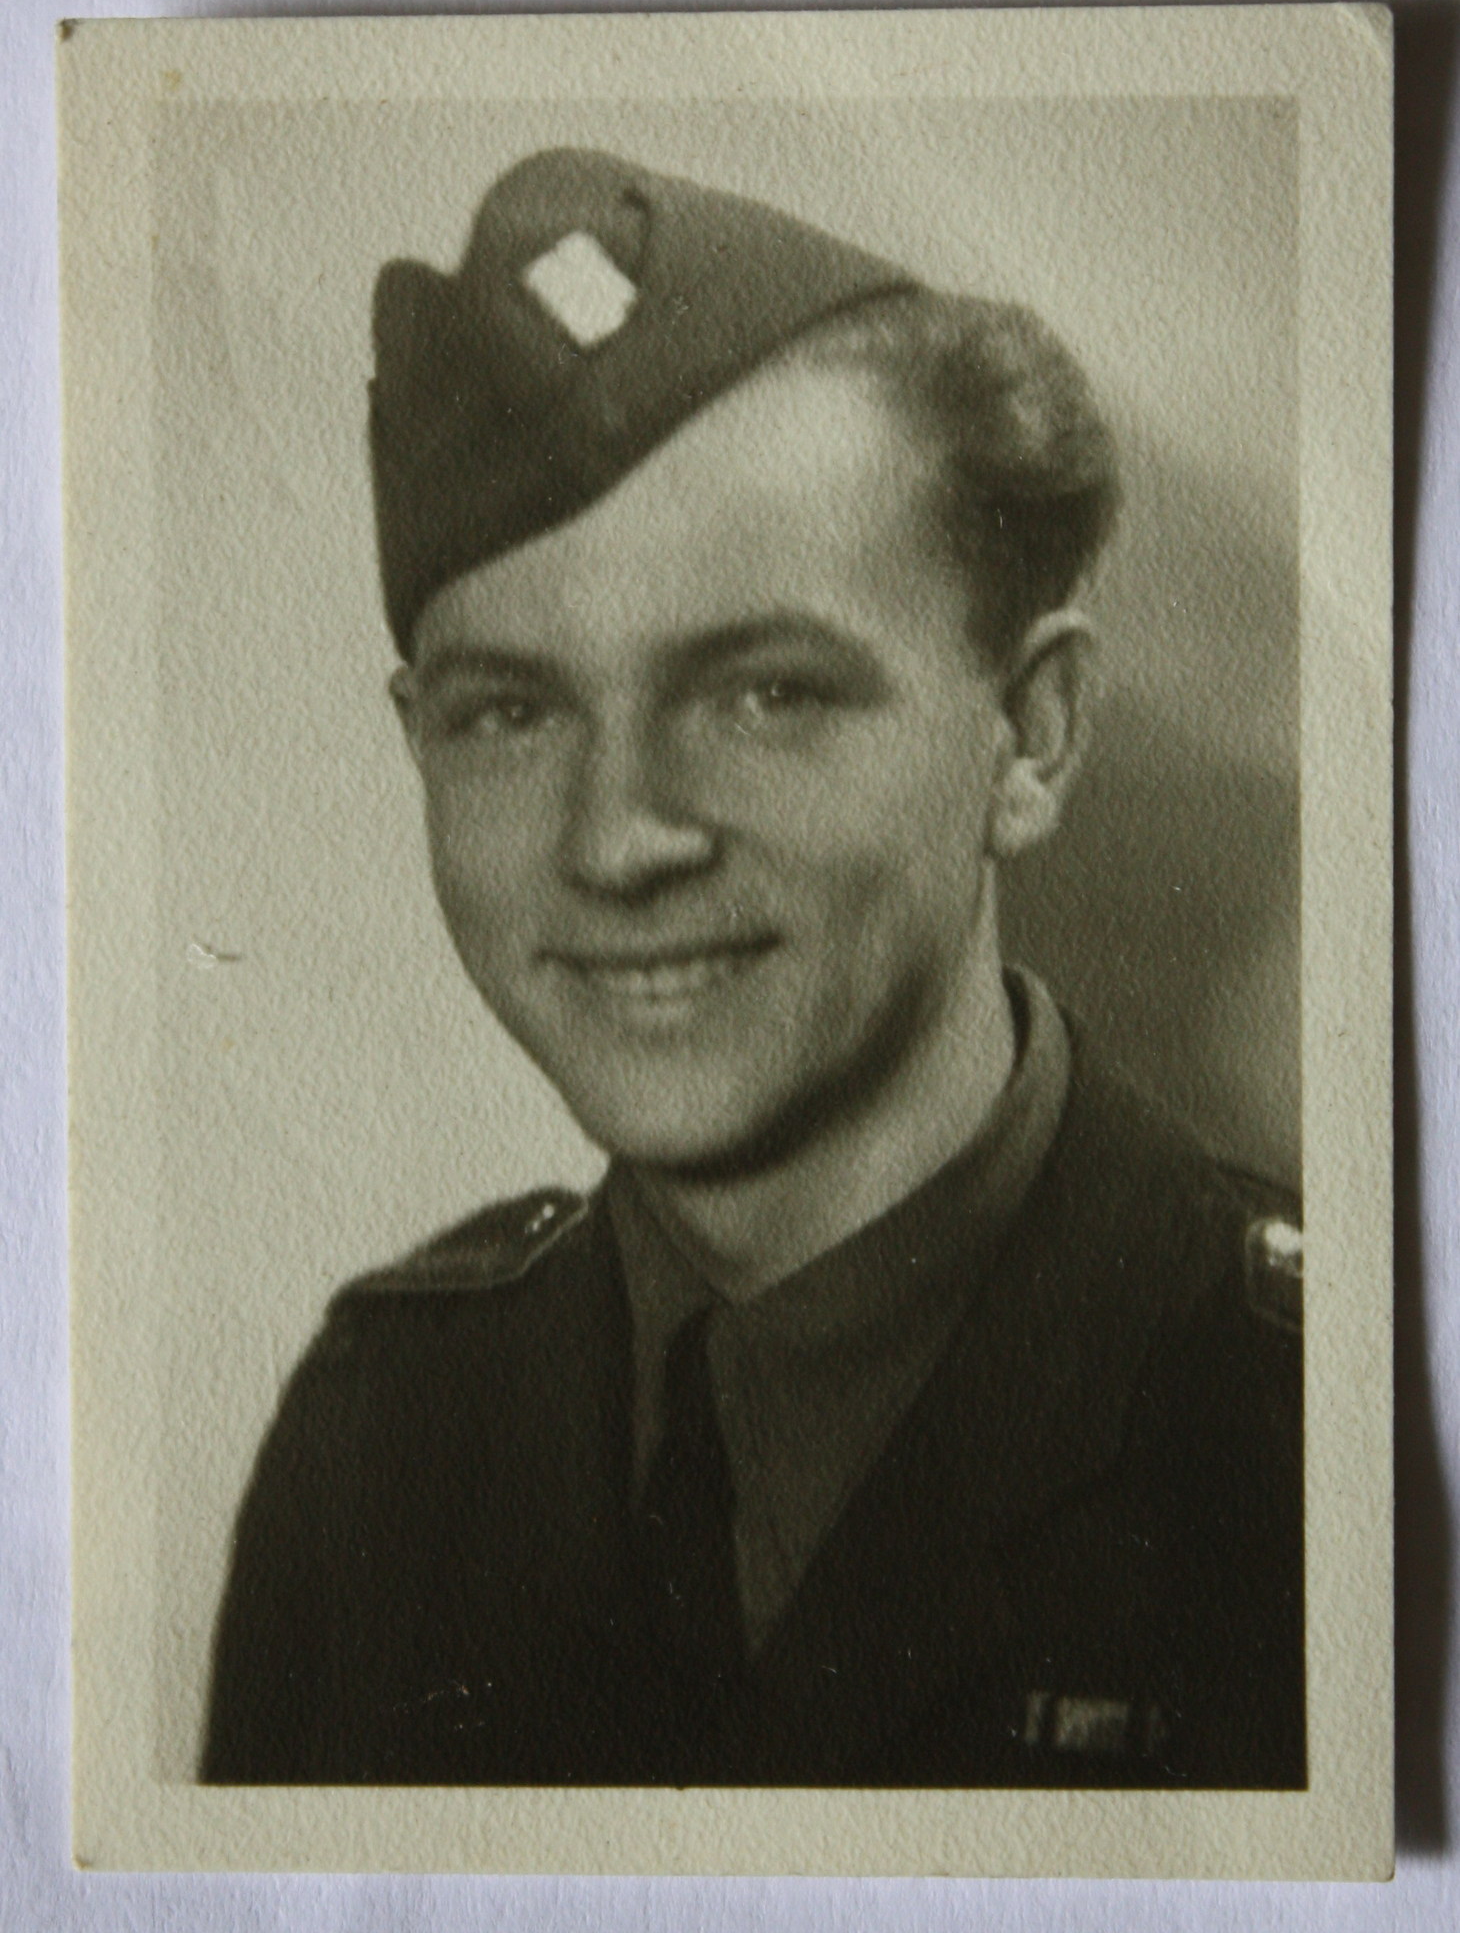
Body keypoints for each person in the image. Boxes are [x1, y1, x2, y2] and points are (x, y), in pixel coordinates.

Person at [202, 147, 1304, 1789]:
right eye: (509, 712)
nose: (615, 841)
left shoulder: (1330, 1428)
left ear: (1031, 736)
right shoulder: (382, 1436)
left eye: (767, 694)